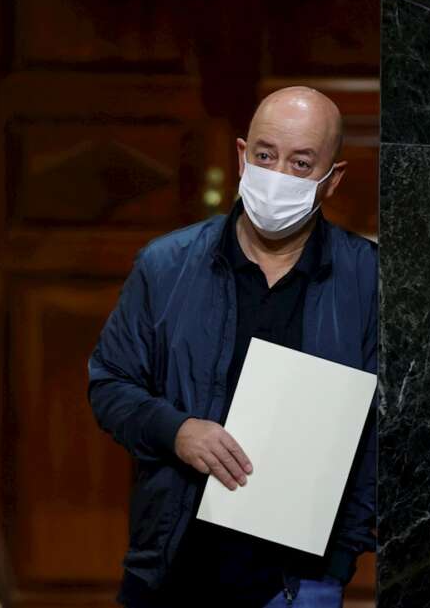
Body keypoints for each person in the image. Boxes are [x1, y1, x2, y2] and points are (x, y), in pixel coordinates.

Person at [87, 86, 378, 608]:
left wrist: (337, 561)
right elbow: (109, 384)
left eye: (301, 163)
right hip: (172, 571)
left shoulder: (369, 281)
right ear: (242, 157)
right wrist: (175, 430)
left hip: (298, 586)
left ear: (332, 180)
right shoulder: (165, 265)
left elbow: (387, 430)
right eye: (266, 156)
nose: (277, 175)